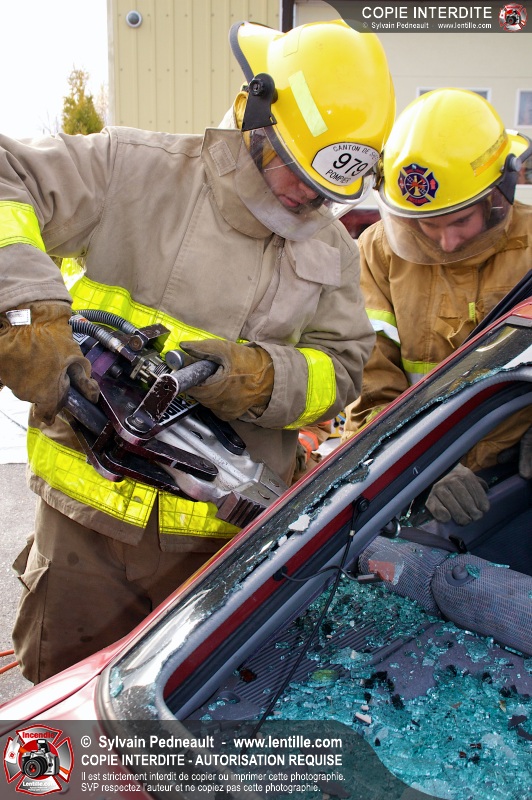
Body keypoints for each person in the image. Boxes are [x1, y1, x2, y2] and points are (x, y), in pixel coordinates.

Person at [0, 19, 395, 682]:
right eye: (296, 169)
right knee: (65, 715)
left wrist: (254, 378)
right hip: (83, 534)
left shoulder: (331, 252)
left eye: (327, 190)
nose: (309, 197)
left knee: (193, 719)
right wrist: (26, 308)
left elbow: (344, 369)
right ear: (255, 118)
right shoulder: (134, 169)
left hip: (217, 548)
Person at [343, 88, 532, 526]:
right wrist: (420, 468)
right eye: (428, 225)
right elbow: (369, 385)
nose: (446, 243)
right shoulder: (379, 253)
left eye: (461, 220)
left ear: (498, 194)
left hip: (515, 482)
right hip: (416, 484)